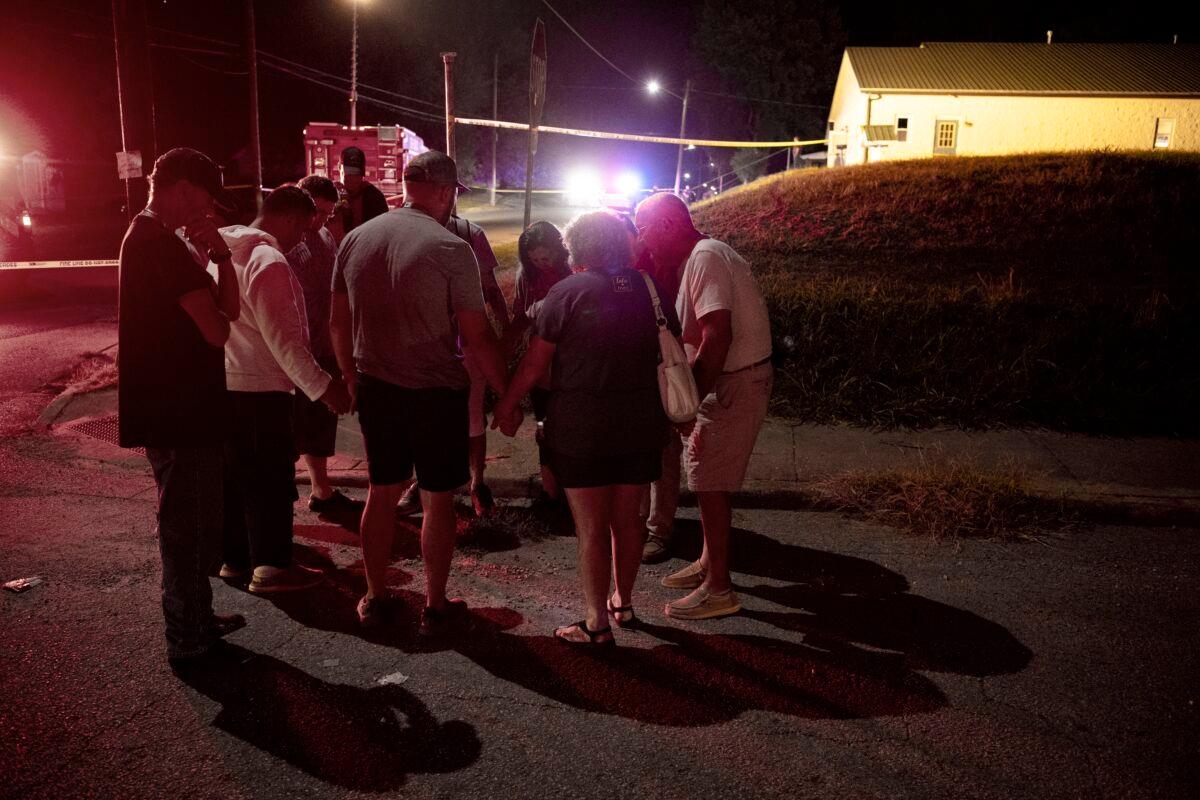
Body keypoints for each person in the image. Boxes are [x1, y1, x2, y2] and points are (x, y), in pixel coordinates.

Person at [330, 151, 509, 633]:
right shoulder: (451, 248)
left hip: (376, 386)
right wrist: (506, 394)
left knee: (381, 492)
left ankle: (374, 596)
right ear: (446, 190)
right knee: (436, 499)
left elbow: (337, 320)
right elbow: (477, 334)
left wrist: (349, 374)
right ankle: (434, 603)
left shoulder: (354, 240)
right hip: (435, 391)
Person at [493, 211, 680, 647]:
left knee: (592, 527)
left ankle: (596, 623)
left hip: (582, 426)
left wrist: (505, 406)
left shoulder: (566, 292)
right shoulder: (649, 288)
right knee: (629, 519)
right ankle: (625, 602)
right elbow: (670, 345)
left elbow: (536, 363)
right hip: (640, 422)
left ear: (576, 247)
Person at [117, 147, 244, 663]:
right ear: (184, 189)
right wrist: (211, 267)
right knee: (188, 529)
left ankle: (197, 617)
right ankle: (189, 640)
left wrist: (222, 256)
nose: (208, 212)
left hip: (180, 409)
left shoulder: (157, 240)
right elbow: (217, 331)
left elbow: (229, 308)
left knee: (194, 523)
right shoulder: (157, 245)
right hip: (180, 411)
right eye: (206, 199)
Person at [634, 192, 773, 620]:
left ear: (670, 225)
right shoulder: (704, 255)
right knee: (706, 477)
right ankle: (710, 564)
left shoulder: (705, 257)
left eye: (645, 230)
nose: (643, 241)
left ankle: (719, 589)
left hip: (732, 384)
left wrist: (688, 405)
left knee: (710, 484)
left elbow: (716, 335)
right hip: (731, 382)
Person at [214, 186, 352, 594]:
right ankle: (272, 567)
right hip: (261, 390)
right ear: (291, 218)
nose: (305, 240)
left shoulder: (221, 252)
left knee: (236, 479)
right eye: (306, 229)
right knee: (270, 480)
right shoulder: (268, 261)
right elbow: (285, 340)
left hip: (225, 383)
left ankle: (235, 559)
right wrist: (325, 389)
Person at [398, 211, 512, 517]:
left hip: (466, 339)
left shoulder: (469, 233)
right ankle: (423, 482)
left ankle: (477, 484)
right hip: (425, 342)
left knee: (473, 413)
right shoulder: (408, 232)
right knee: (427, 414)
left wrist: (503, 332)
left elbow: (489, 286)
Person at [288, 175, 359, 515]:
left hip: (325, 342)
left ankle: (321, 489)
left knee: (320, 423)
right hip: (296, 347)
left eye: (326, 214)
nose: (318, 220)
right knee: (292, 424)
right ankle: (281, 497)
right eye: (315, 211)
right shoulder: (286, 241)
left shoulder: (325, 236)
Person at [503, 220, 571, 511]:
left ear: (560, 249)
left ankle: (573, 496)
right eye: (534, 260)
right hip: (541, 367)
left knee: (569, 430)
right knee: (543, 427)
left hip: (570, 366)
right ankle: (550, 493)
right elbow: (521, 316)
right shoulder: (527, 276)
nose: (542, 264)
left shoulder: (574, 272)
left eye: (546, 257)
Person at [339, 146, 388, 234]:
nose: (353, 179)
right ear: (339, 168)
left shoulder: (374, 197)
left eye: (357, 174)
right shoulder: (332, 193)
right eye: (348, 174)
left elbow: (382, 230)